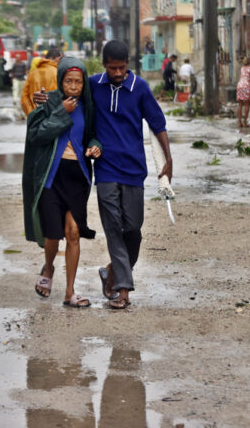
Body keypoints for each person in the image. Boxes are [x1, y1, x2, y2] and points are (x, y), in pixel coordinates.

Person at [37, 41, 172, 309]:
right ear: (104, 64)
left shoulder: (140, 88)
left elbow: (158, 123)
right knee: (113, 230)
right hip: (106, 169)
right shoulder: (93, 85)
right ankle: (123, 289)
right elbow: (67, 91)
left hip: (134, 170)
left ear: (128, 65)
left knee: (133, 228)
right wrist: (43, 99)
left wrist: (169, 159)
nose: (118, 73)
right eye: (113, 68)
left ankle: (111, 271)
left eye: (122, 67)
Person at [23, 56, 102, 308]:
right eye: (69, 81)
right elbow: (36, 134)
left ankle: (70, 292)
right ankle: (48, 267)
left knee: (74, 232)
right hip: (52, 176)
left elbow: (93, 135)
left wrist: (95, 146)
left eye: (78, 82)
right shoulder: (49, 102)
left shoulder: (88, 107)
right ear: (60, 80)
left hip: (77, 176)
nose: (74, 86)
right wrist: (60, 112)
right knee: (53, 235)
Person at [20, 46, 63, 115]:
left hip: (34, 116)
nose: (58, 63)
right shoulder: (58, 73)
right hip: (52, 117)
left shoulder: (32, 74)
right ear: (51, 58)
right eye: (58, 61)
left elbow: (24, 98)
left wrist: (31, 114)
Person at [235, 57, 250, 128]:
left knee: (240, 104)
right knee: (246, 104)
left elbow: (242, 76)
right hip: (246, 85)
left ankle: (239, 122)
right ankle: (245, 122)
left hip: (239, 85)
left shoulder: (242, 68)